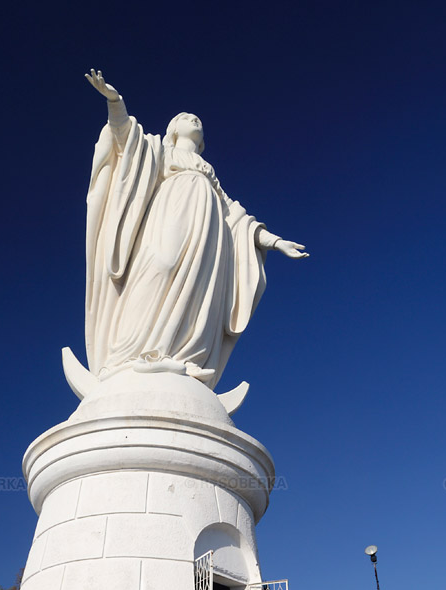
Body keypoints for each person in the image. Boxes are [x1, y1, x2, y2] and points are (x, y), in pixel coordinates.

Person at [83, 70, 307, 390]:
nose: (194, 119)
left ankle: (180, 355)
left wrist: (274, 241)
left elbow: (235, 215)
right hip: (169, 212)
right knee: (161, 265)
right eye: (186, 117)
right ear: (174, 129)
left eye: (198, 120)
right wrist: (115, 102)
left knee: (198, 290)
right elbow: (125, 140)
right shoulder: (159, 151)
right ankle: (130, 353)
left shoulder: (208, 173)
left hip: (207, 230)